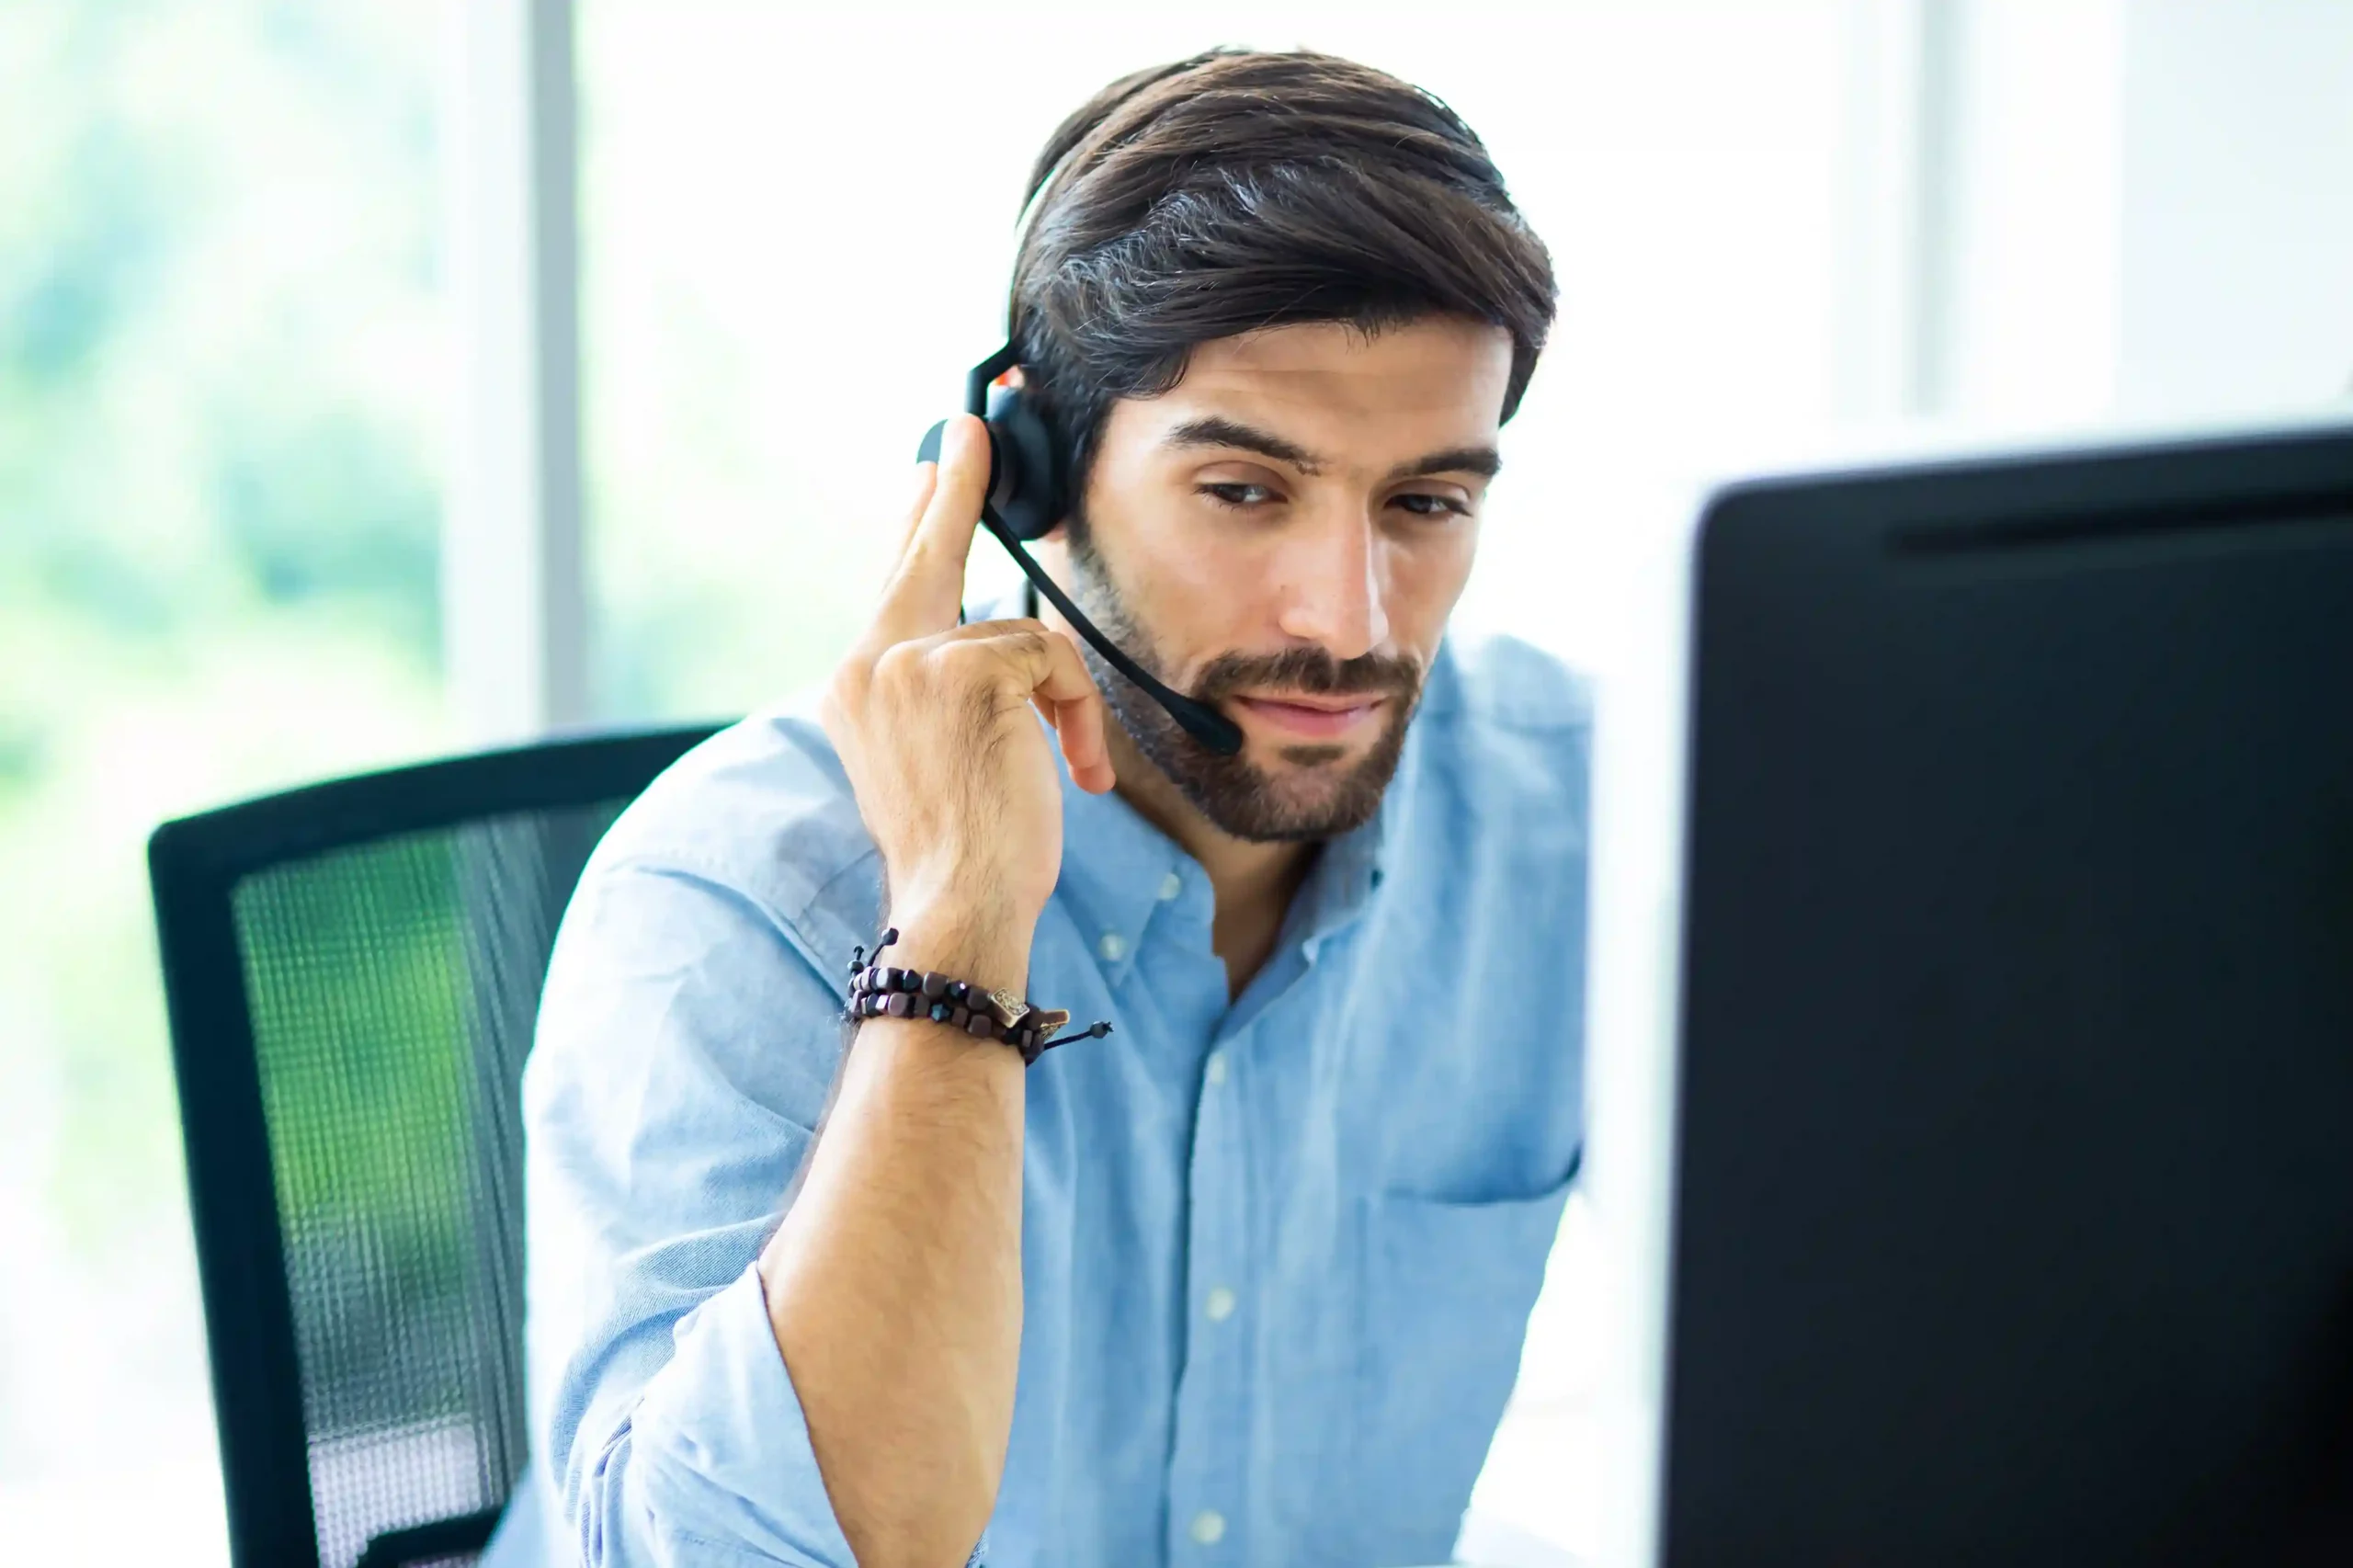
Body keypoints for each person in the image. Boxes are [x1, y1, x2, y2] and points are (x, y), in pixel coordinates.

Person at [524, 48, 1589, 1568]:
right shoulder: (742, 891)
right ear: (1026, 478)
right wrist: (957, 918)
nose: (1349, 619)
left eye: (1425, 503)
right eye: (1245, 492)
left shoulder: (1586, 820)